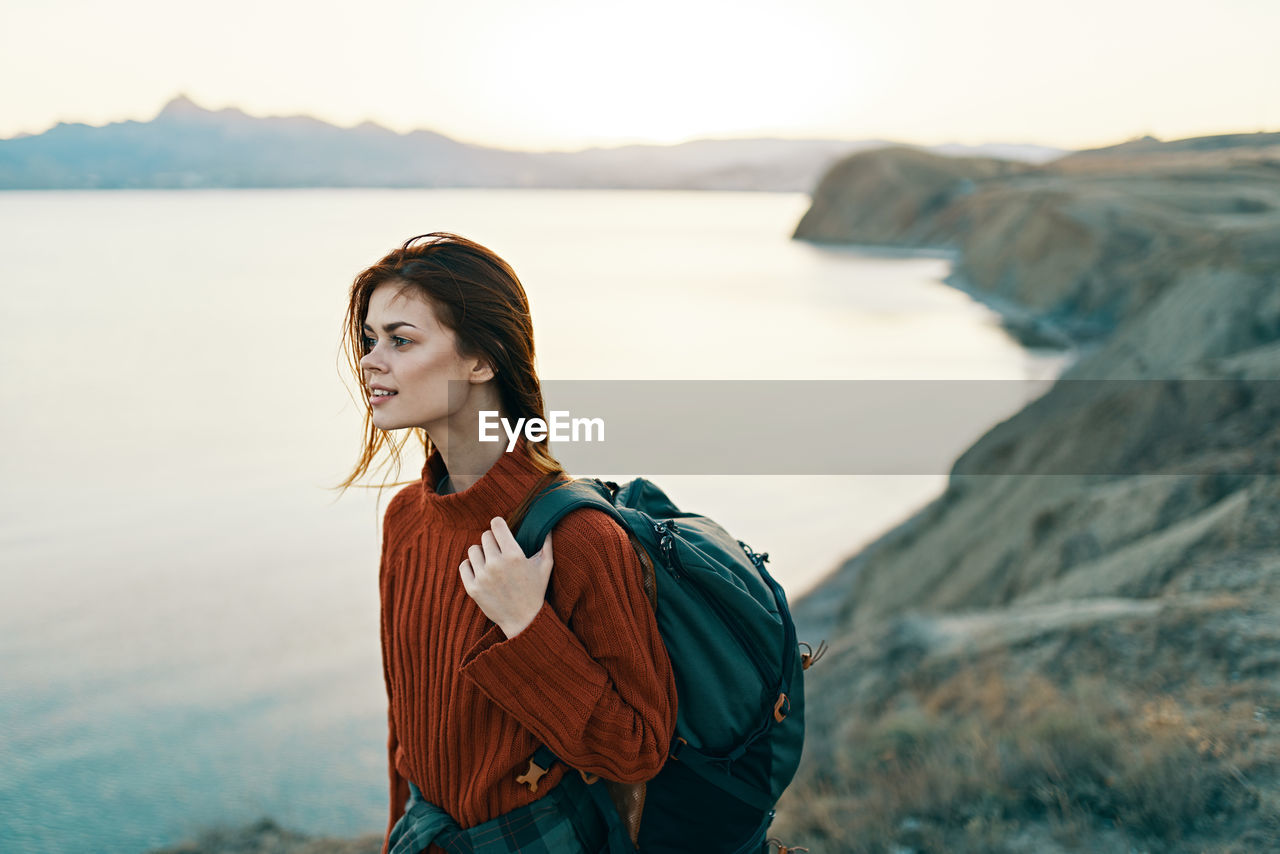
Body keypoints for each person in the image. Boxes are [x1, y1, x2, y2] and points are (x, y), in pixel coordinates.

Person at [338, 232, 677, 854]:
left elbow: (637, 749)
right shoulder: (407, 520)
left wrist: (528, 627)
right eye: (369, 339)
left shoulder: (580, 537)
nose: (370, 360)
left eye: (401, 339)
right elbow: (406, 737)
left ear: (481, 361)